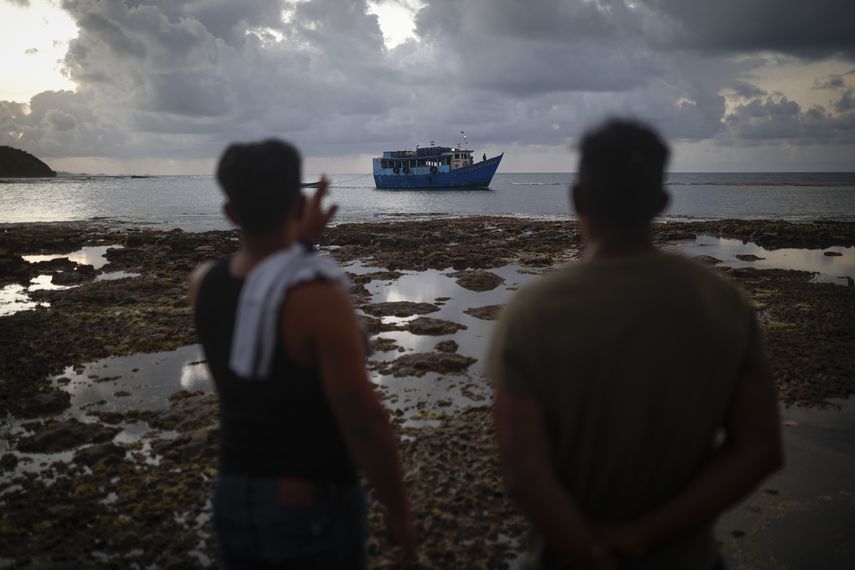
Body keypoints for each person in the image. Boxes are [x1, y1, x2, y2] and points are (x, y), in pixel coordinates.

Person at [488, 119, 783, 569]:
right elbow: (760, 447)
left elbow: (523, 472)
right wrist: (643, 534)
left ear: (577, 199)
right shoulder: (721, 301)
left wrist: (586, 552)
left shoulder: (532, 312)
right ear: (661, 202)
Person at [190, 140, 415, 568]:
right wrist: (399, 510)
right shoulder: (318, 300)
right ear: (298, 204)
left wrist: (303, 240)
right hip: (309, 501)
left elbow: (259, 293)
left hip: (233, 491)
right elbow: (363, 420)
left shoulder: (203, 284)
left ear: (231, 213)